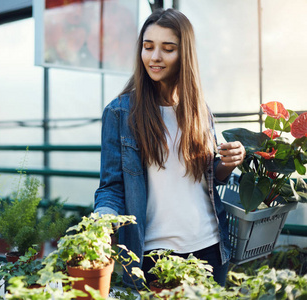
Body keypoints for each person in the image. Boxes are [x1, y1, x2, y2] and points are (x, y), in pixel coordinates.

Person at [94, 8, 246, 288]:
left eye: (168, 49)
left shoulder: (200, 110)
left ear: (184, 54)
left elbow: (208, 175)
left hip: (210, 248)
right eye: (148, 47)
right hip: (152, 256)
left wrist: (228, 162)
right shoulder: (120, 112)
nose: (154, 57)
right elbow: (111, 186)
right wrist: (103, 221)